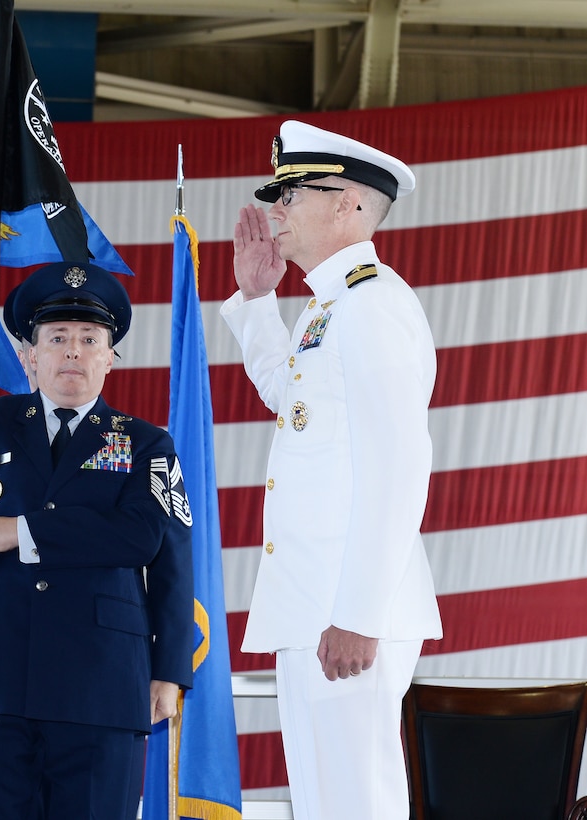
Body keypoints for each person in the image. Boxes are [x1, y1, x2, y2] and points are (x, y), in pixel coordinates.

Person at [0, 261, 195, 819]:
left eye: (90, 339)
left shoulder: (144, 443)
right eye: (57, 338)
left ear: (110, 358)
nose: (73, 352)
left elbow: (153, 544)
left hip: (103, 689)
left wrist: (169, 670)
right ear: (27, 354)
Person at [220, 120, 442, 820]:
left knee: (354, 802)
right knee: (323, 803)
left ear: (347, 204)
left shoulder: (372, 305)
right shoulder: (331, 308)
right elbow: (291, 402)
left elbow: (399, 467)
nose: (275, 209)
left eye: (292, 194)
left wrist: (357, 613)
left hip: (345, 609)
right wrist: (258, 301)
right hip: (316, 605)